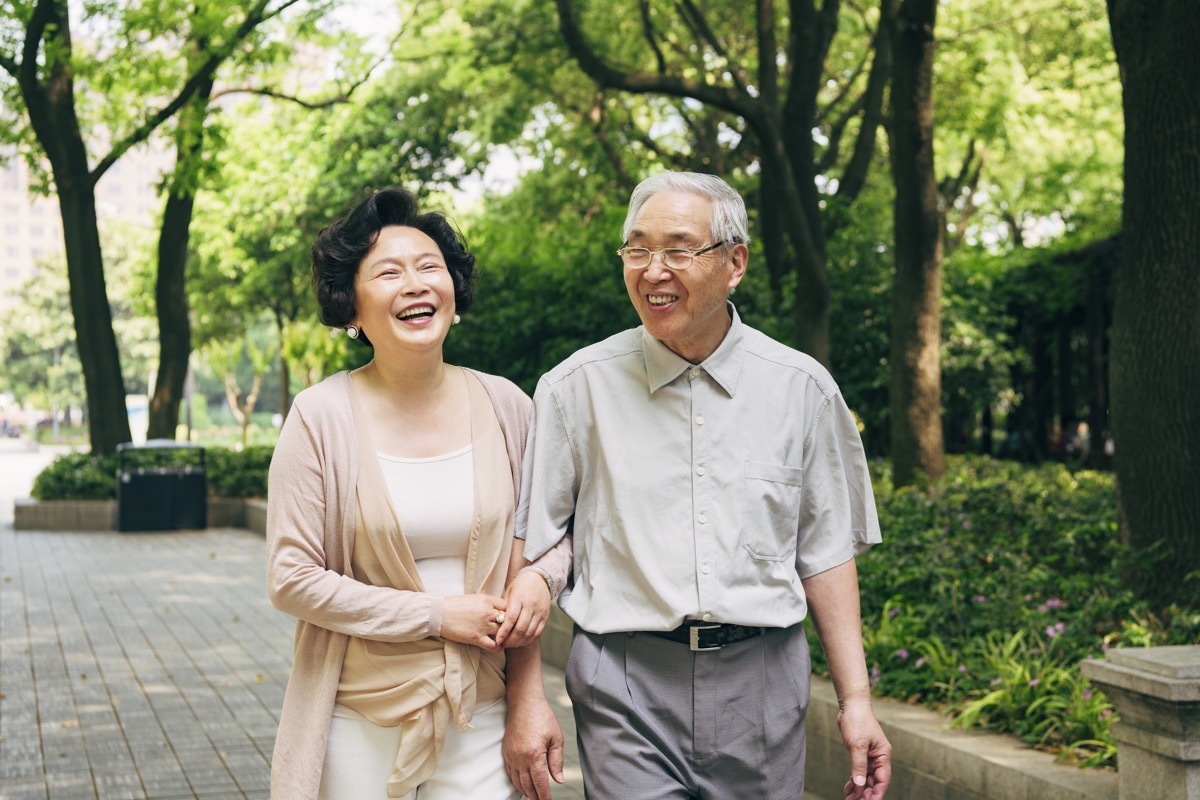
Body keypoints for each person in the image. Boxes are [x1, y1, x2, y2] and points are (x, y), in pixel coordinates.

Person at [510, 172, 892, 799]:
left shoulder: (804, 390)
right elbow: (532, 552)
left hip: (763, 682)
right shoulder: (574, 389)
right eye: (637, 250)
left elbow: (825, 554)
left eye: (679, 250)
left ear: (734, 262)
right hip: (624, 680)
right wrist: (526, 699)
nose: (653, 270)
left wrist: (856, 701)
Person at [266, 187, 567, 800]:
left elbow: (552, 537)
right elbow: (291, 576)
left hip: (483, 712)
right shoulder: (319, 418)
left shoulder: (507, 404)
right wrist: (437, 615)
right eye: (388, 271)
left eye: (431, 267)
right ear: (352, 308)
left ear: (453, 294)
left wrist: (541, 582)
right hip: (359, 716)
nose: (416, 283)